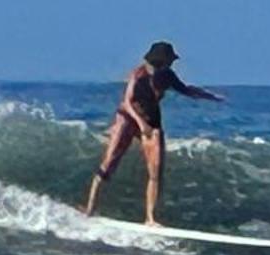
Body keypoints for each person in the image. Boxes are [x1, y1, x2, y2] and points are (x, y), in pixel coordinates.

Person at [81, 41, 226, 225]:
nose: (172, 63)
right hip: (127, 118)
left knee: (155, 170)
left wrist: (211, 96)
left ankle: (150, 218)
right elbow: (127, 102)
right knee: (109, 163)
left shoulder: (168, 76)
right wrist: (140, 124)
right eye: (170, 60)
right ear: (161, 60)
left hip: (152, 120)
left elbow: (187, 90)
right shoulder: (138, 74)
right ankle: (89, 209)